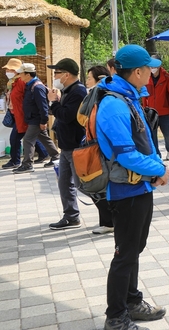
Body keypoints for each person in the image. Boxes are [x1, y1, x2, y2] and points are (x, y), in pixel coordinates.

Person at [95, 44, 169, 330]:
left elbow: (144, 141)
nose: (153, 71)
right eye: (149, 67)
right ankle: (116, 317)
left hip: (140, 187)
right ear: (137, 72)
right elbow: (125, 153)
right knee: (124, 254)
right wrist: (159, 170)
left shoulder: (130, 97)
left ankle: (132, 301)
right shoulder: (114, 103)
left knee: (134, 249)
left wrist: (155, 170)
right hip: (124, 190)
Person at [46, 58, 88, 230]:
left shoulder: (78, 92)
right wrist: (54, 102)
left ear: (66, 74)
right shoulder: (68, 90)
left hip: (75, 146)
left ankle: (111, 211)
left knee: (84, 185)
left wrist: (54, 102)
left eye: (56, 73)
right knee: (65, 183)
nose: (54, 76)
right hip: (66, 146)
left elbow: (66, 116)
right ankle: (71, 216)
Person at [82, 65, 115, 235]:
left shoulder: (100, 96)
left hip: (99, 147)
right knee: (98, 184)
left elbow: (82, 118)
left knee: (97, 184)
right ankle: (107, 221)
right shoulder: (96, 95)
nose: (86, 81)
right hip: (96, 145)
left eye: (89, 78)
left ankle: (109, 221)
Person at [13, 63, 60, 174]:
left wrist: (43, 121)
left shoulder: (37, 87)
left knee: (28, 140)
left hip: (36, 119)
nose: (19, 76)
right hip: (34, 118)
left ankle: (27, 164)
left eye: (21, 73)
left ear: (28, 74)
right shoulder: (31, 85)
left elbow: (42, 105)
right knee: (44, 138)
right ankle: (56, 157)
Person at [144, 56, 169, 160]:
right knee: (152, 135)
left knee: (168, 134)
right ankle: (157, 155)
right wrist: (145, 108)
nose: (152, 67)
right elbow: (144, 94)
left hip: (165, 112)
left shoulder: (167, 77)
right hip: (151, 112)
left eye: (154, 65)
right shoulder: (146, 76)